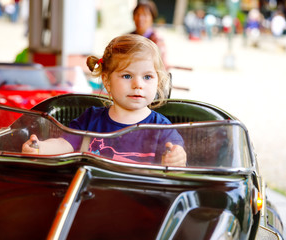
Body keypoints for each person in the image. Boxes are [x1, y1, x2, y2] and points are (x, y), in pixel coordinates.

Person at [22, 34, 186, 167]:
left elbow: (177, 158)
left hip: (141, 199)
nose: (138, 84)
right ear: (107, 81)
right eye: (127, 76)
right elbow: (64, 144)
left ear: (158, 81)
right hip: (92, 194)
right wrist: (40, 148)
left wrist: (177, 158)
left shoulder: (161, 128)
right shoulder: (91, 119)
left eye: (147, 77)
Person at [130, 1, 168, 69]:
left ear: (152, 18)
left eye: (145, 15)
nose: (140, 18)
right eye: (137, 14)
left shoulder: (157, 40)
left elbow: (161, 67)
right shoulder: (128, 38)